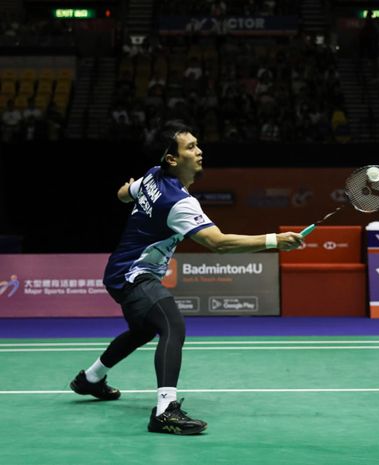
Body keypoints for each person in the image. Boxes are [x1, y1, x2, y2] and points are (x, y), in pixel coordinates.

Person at [69, 121, 304, 435]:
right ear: (173, 159)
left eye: (197, 144)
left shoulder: (153, 175)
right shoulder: (179, 203)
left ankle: (91, 379)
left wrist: (130, 194)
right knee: (171, 324)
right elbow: (218, 243)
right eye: (191, 147)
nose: (199, 150)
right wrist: (275, 241)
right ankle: (165, 411)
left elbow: (124, 193)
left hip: (121, 271)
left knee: (142, 330)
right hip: (133, 274)